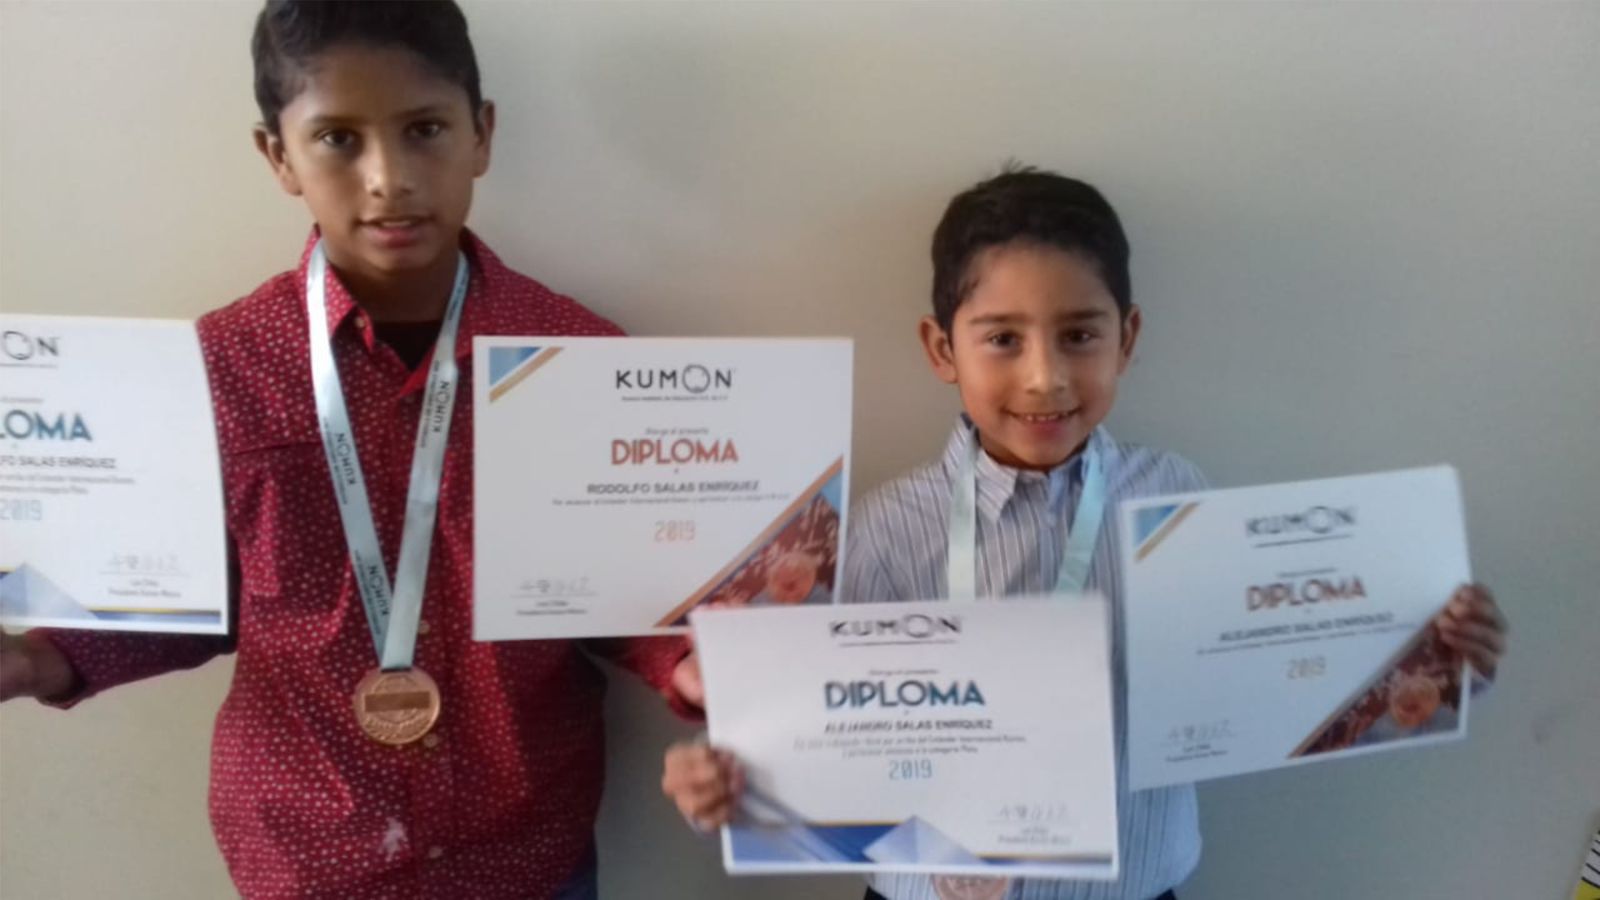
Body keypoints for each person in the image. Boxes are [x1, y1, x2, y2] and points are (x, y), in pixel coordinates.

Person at [0, 3, 699, 897]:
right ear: (278, 157)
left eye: (425, 130)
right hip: (309, 849)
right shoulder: (218, 368)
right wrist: (45, 656)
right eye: (337, 138)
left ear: (481, 136)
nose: (388, 179)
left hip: (525, 850)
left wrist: (680, 660)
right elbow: (189, 587)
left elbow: (615, 581)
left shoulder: (578, 357)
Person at [661, 166, 1508, 900]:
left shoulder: (1177, 505)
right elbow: (817, 740)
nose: (1046, 377)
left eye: (1079, 335)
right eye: (1002, 338)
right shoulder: (882, 530)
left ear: (1125, 338)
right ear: (941, 349)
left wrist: (1434, 659)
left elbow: (1271, 677)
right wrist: (729, 779)